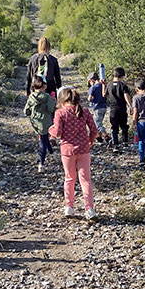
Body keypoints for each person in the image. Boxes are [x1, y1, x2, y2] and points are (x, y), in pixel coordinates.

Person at [49, 87, 99, 219]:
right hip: (84, 149)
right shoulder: (85, 111)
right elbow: (94, 130)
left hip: (67, 150)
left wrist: (51, 131)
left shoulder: (60, 113)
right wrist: (90, 141)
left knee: (69, 178)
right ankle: (89, 209)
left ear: (62, 100)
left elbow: (58, 132)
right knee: (86, 180)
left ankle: (69, 207)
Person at [23, 76, 57, 173]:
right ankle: (41, 163)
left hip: (36, 123)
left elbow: (26, 111)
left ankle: (52, 152)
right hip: (46, 122)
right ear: (44, 86)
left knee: (44, 138)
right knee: (43, 142)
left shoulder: (31, 97)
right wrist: (54, 102)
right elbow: (51, 109)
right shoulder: (47, 97)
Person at [106, 67, 133, 153]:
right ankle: (125, 143)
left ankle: (115, 145)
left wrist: (103, 84)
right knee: (124, 126)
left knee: (114, 127)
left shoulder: (109, 85)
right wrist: (130, 106)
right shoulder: (123, 85)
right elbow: (126, 96)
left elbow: (104, 94)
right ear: (122, 76)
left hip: (113, 109)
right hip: (122, 109)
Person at [87, 72, 109, 144]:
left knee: (97, 123)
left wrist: (93, 100)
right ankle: (99, 138)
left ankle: (106, 137)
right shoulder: (103, 85)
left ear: (91, 80)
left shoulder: (93, 88)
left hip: (97, 107)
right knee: (99, 121)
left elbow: (89, 98)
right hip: (104, 106)